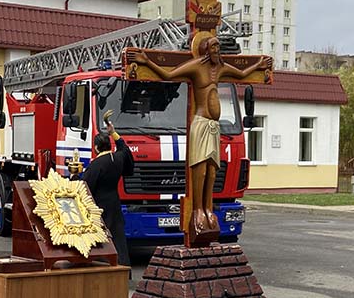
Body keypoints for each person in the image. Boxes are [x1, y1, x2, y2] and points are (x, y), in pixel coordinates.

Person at [133, 37, 272, 237]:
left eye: (219, 47)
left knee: (212, 171)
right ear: (206, 49)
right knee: (200, 169)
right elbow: (169, 74)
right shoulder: (196, 67)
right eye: (214, 46)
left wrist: (258, 65)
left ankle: (208, 209)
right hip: (200, 123)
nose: (218, 50)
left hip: (214, 127)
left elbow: (241, 75)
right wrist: (147, 61)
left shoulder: (221, 68)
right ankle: (198, 209)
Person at [82, 113, 134, 268]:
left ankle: (104, 268)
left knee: (103, 240)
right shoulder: (118, 158)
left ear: (96, 147)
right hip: (115, 203)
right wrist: (113, 132)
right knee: (118, 239)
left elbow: (85, 187)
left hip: (99, 207)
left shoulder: (96, 165)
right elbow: (124, 149)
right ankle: (123, 267)